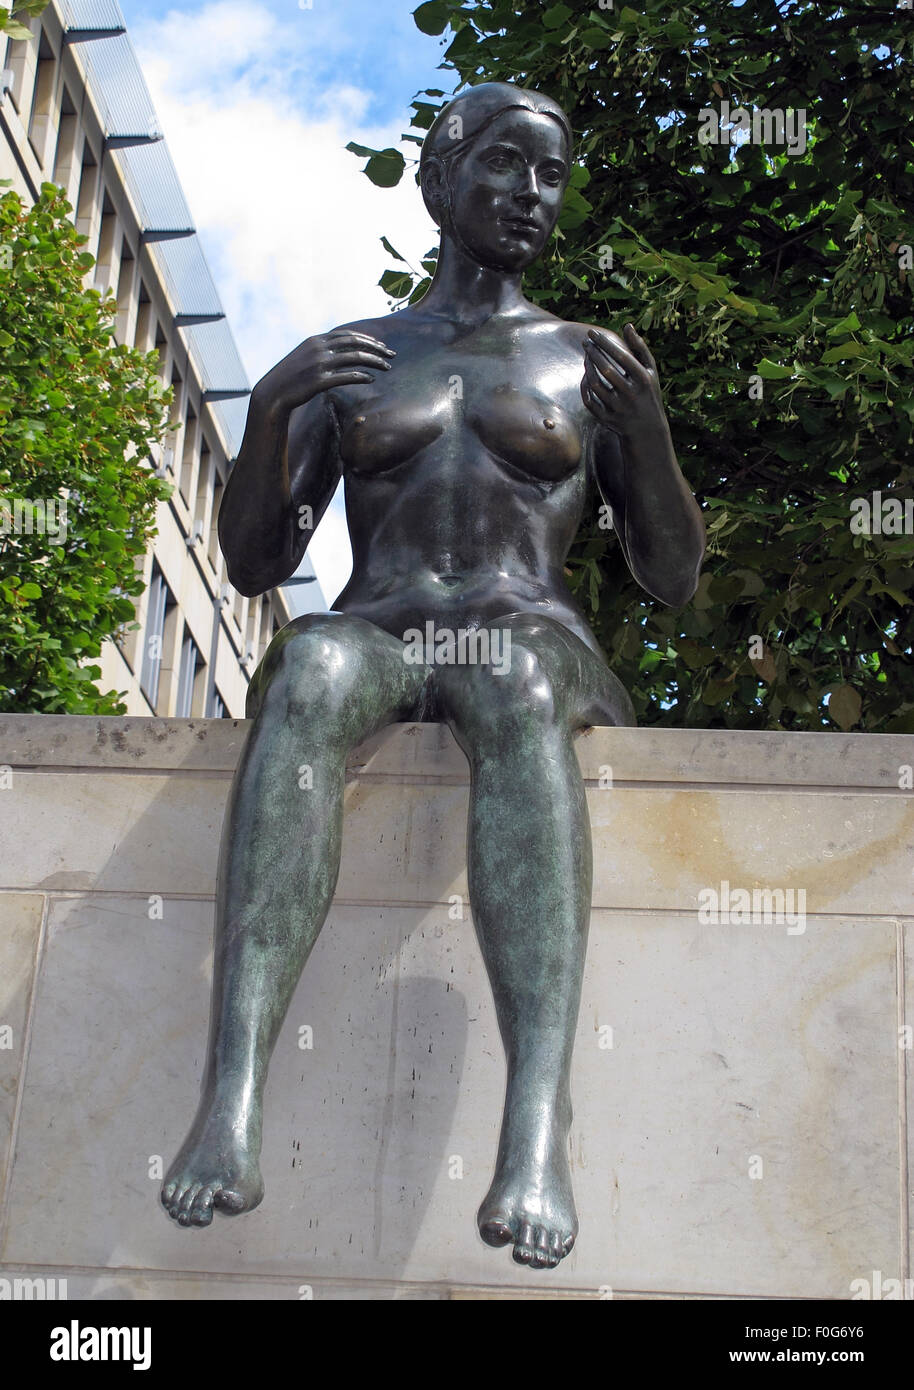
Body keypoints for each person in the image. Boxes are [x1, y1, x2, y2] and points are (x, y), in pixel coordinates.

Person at [161, 81, 705, 1270]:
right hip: (382, 626)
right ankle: (234, 1097)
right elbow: (258, 561)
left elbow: (668, 574)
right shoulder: (358, 359)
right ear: (441, 178)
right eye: (505, 165)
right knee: (304, 669)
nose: (529, 195)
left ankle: (532, 1126)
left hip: (532, 633)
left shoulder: (581, 362)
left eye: (550, 175)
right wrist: (273, 412)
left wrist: (649, 429)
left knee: (508, 679)